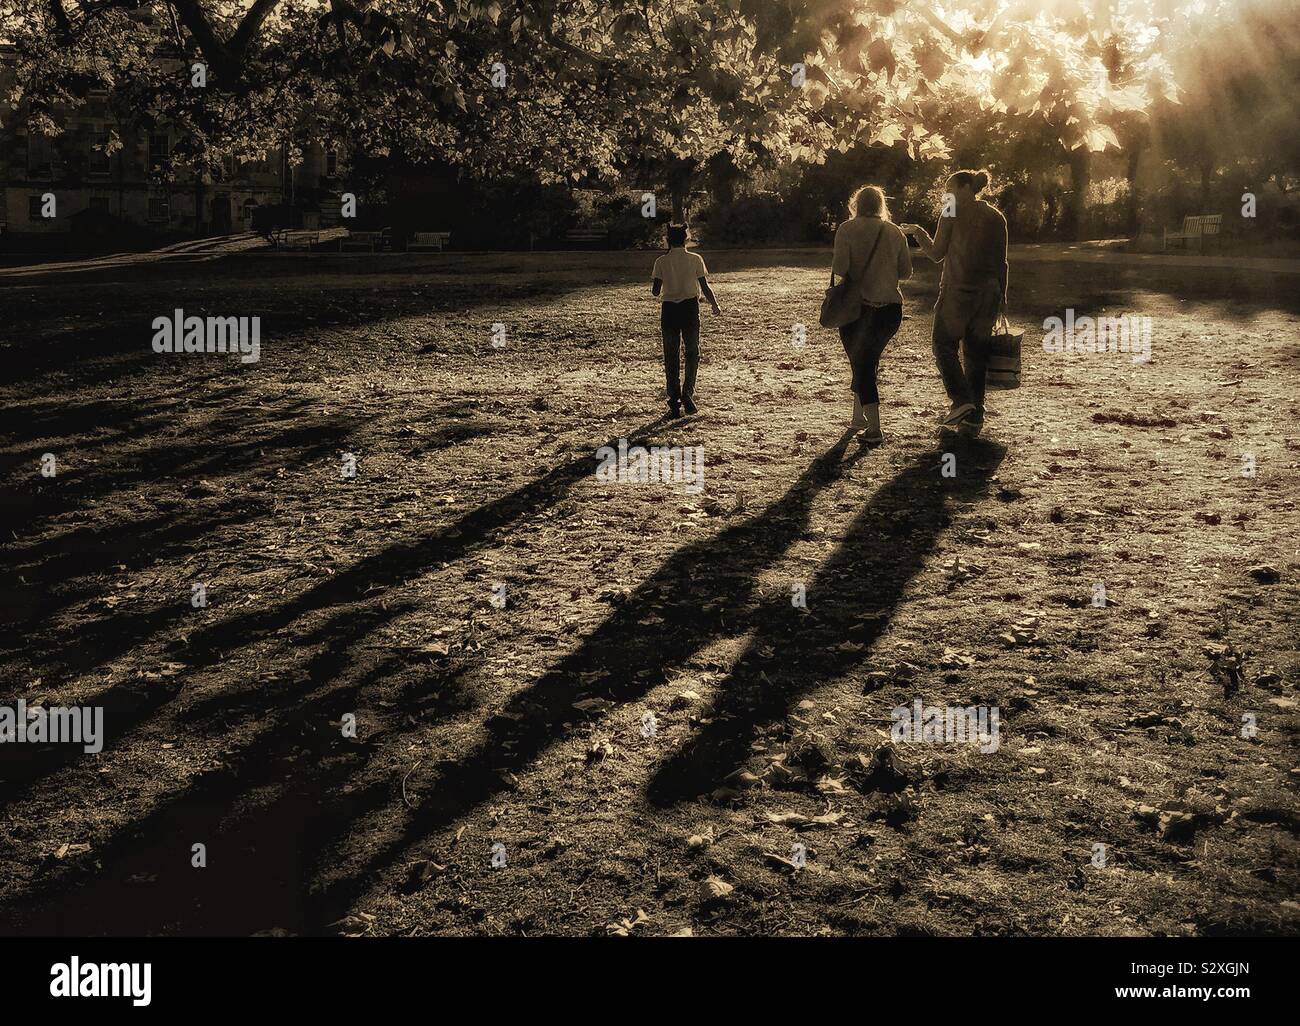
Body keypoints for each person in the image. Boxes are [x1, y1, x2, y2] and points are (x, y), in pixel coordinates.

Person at [901, 168, 1009, 437]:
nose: (946, 193)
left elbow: (937, 253)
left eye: (949, 187)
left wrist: (917, 232)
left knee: (943, 345)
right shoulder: (996, 216)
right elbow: (1001, 262)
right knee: (976, 355)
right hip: (988, 295)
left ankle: (961, 400)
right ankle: (974, 420)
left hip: (957, 292)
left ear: (964, 187)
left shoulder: (951, 211)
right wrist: (1002, 298)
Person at [831, 185, 913, 443]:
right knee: (866, 362)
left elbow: (840, 267)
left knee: (862, 364)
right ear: (881, 205)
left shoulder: (847, 229)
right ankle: (858, 417)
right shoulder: (895, 231)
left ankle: (874, 428)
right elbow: (906, 272)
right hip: (890, 310)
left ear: (856, 204)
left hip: (857, 309)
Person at [652, 223, 720, 418]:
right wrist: (714, 304)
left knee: (671, 354)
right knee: (692, 352)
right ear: (686, 238)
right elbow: (705, 286)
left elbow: (656, 291)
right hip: (690, 308)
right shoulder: (696, 259)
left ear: (668, 240)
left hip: (670, 309)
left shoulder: (661, 262)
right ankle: (688, 393)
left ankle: (673, 399)